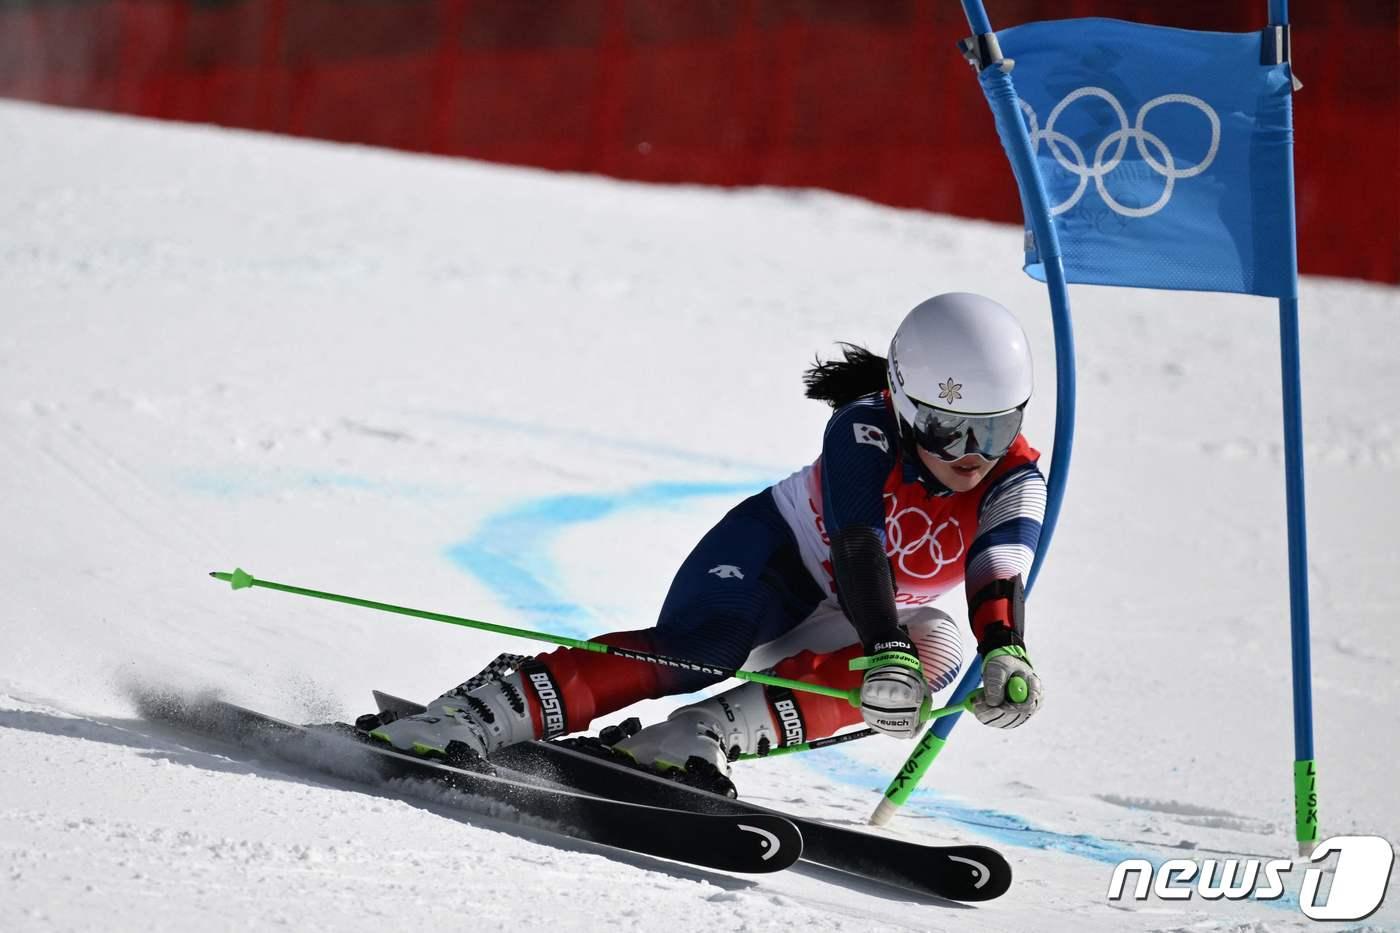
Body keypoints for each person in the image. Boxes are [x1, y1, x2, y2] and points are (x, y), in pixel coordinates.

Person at [370, 292, 1046, 788]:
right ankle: (478, 712)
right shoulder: (863, 427)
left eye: (989, 431)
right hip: (776, 562)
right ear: (900, 400)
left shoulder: (1016, 473)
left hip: (851, 613)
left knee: (942, 649)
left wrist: (1005, 655)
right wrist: (883, 648)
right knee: (707, 650)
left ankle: (694, 735)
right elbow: (859, 545)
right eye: (945, 428)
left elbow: (998, 567)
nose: (968, 456)